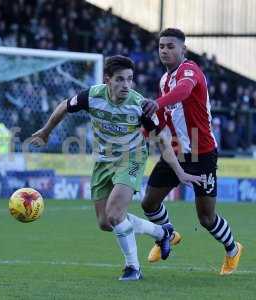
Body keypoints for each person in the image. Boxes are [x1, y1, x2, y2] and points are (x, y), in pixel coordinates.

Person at [31, 55, 202, 281]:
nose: (126, 85)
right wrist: (46, 131)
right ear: (107, 80)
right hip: (104, 160)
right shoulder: (92, 96)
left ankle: (133, 268)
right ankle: (162, 233)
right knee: (105, 222)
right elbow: (64, 106)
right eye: (120, 80)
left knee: (114, 214)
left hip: (132, 158)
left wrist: (179, 172)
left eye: (130, 80)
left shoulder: (138, 105)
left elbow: (161, 140)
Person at [141, 28, 243, 275]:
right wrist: (145, 133)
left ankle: (232, 248)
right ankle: (167, 235)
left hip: (202, 152)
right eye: (161, 46)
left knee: (206, 219)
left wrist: (158, 102)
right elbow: (164, 115)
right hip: (175, 152)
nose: (165, 50)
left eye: (170, 46)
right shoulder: (164, 81)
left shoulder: (191, 71)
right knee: (149, 203)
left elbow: (184, 92)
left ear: (183, 50)